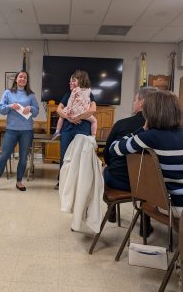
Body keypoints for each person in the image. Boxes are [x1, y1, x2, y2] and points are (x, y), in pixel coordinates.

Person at [110, 90, 183, 215]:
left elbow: (114, 148)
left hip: (174, 207)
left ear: (151, 112)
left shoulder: (149, 136)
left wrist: (142, 129)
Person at [103, 86, 158, 234]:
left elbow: (107, 154)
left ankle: (112, 209)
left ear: (141, 102)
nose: (133, 103)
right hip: (151, 187)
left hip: (120, 181)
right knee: (149, 179)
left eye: (134, 100)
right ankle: (146, 219)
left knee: (106, 170)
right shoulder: (162, 130)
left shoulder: (122, 124)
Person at [0, 70, 39, 193]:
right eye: (20, 77)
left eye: (25, 77)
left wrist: (31, 108)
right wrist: (10, 106)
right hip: (11, 131)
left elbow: (36, 112)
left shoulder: (31, 95)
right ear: (16, 79)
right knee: (4, 157)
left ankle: (19, 182)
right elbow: (1, 109)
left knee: (23, 158)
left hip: (27, 131)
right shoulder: (8, 93)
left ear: (27, 80)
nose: (23, 79)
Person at [55, 70, 97, 189]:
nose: (70, 82)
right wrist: (70, 118)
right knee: (64, 156)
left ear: (81, 81)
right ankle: (62, 181)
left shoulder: (89, 94)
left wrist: (77, 117)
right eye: (69, 80)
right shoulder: (67, 95)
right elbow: (59, 110)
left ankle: (77, 183)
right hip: (67, 129)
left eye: (73, 80)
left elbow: (92, 110)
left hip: (83, 129)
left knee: (80, 157)